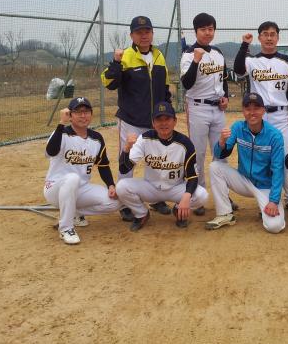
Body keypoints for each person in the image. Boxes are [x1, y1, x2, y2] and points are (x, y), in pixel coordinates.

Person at [101, 15, 173, 218]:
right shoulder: (125, 56)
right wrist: (116, 62)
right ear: (132, 35)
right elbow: (109, 82)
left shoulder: (159, 56)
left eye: (147, 31)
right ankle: (125, 204)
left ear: (152, 33)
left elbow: (165, 86)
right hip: (131, 119)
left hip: (155, 121)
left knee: (156, 160)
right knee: (128, 159)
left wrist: (166, 110)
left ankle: (156, 198)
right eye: (139, 32)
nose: (144, 35)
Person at [115, 102, 208, 231]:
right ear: (153, 123)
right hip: (150, 188)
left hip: (175, 188)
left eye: (167, 119)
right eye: (159, 119)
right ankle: (141, 214)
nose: (163, 123)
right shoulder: (144, 139)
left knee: (202, 195)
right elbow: (124, 168)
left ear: (175, 121)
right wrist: (126, 149)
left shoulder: (185, 143)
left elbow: (192, 177)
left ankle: (178, 210)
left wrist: (186, 198)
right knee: (122, 187)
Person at [180, 12, 238, 215]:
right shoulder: (188, 54)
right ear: (196, 31)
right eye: (203, 29)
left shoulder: (218, 52)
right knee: (198, 153)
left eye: (210, 29)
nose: (207, 32)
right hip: (197, 107)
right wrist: (196, 61)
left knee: (220, 152)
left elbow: (223, 78)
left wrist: (225, 96)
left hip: (217, 109)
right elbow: (186, 83)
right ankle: (198, 195)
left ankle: (223, 195)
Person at [43, 97, 122, 245]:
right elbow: (51, 152)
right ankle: (66, 228)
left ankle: (74, 213)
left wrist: (111, 185)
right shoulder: (61, 133)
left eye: (86, 112)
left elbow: (103, 165)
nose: (83, 115)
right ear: (70, 115)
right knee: (72, 178)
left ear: (91, 114)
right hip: (55, 188)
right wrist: (61, 123)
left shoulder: (96, 138)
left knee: (115, 202)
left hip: (81, 189)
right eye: (78, 112)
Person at [205, 92, 286, 234]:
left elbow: (278, 170)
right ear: (243, 111)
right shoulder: (238, 127)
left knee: (275, 226)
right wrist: (221, 142)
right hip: (244, 181)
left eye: (256, 108)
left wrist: (273, 200)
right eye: (248, 108)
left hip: (265, 186)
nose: (252, 112)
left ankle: (271, 204)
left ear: (263, 110)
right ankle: (225, 214)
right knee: (215, 167)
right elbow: (219, 154)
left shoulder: (275, 135)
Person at [233, 20, 288, 153]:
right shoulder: (251, 61)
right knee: (259, 155)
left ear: (277, 38)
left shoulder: (287, 61)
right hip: (259, 115)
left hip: (281, 116)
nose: (269, 38)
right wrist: (244, 44)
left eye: (272, 34)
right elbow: (238, 70)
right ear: (259, 38)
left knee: (284, 154)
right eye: (265, 34)